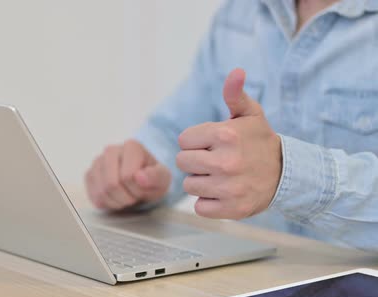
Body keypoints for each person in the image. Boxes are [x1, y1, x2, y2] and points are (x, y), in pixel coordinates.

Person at [84, 0, 378, 253]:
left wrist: (286, 174)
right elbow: (174, 132)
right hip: (249, 288)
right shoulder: (239, 13)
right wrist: (139, 176)